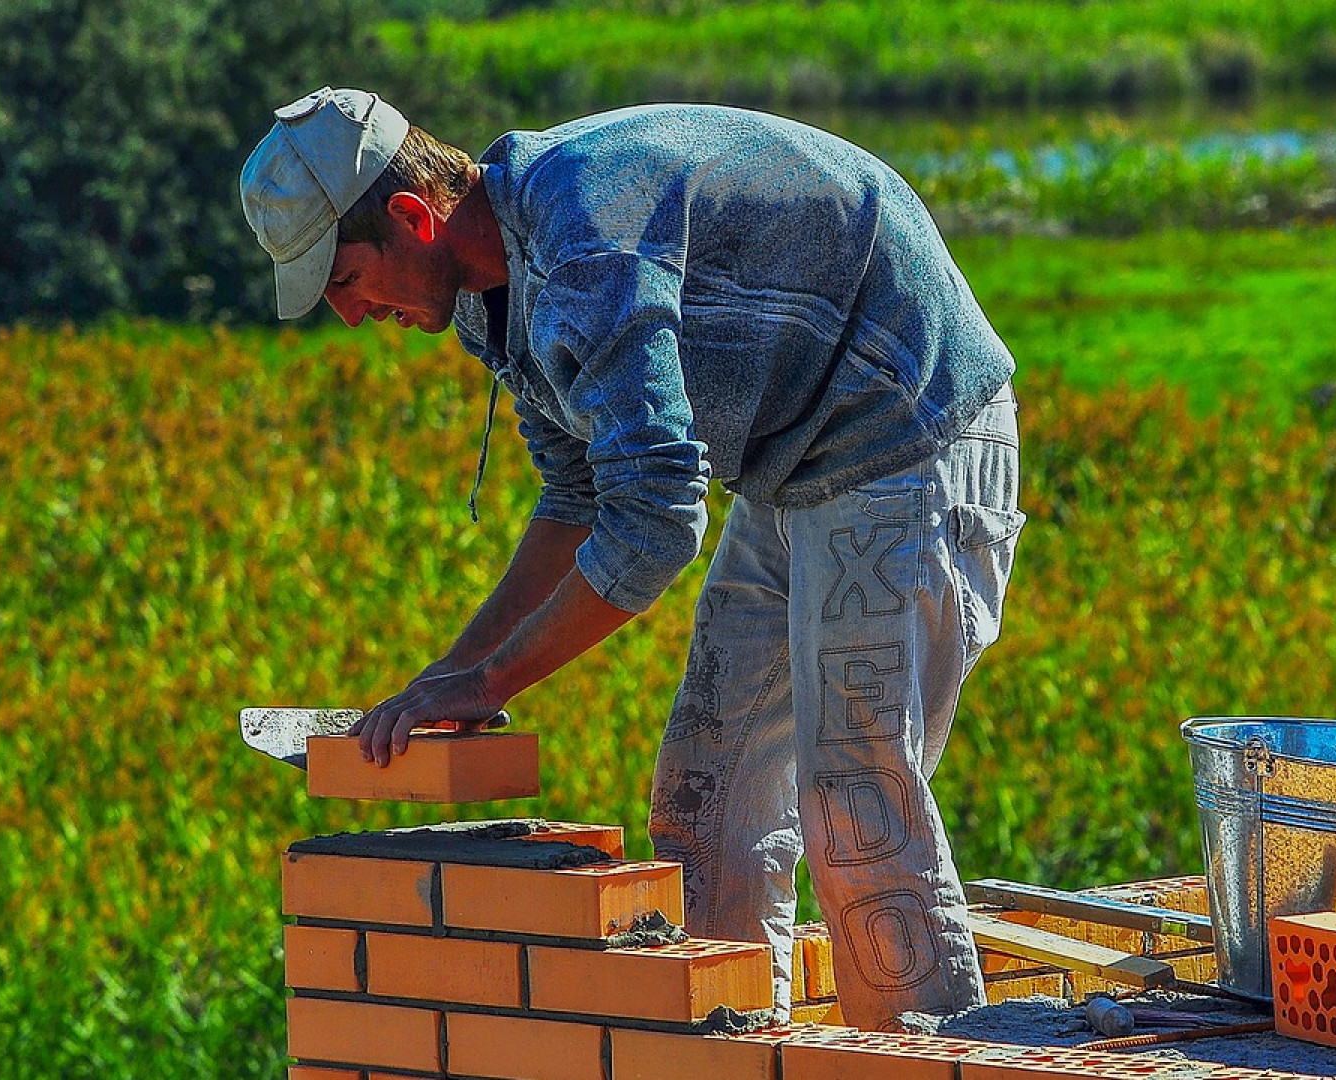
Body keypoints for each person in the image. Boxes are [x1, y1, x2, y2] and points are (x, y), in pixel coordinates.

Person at [239, 86, 1024, 1029]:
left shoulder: (583, 241)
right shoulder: (503, 295)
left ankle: (932, 1052)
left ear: (412, 217)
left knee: (855, 798)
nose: (354, 316)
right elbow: (579, 499)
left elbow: (655, 523)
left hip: (904, 425)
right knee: (706, 799)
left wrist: (489, 681)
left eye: (344, 282)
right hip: (793, 458)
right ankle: (735, 1047)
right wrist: (447, 676)